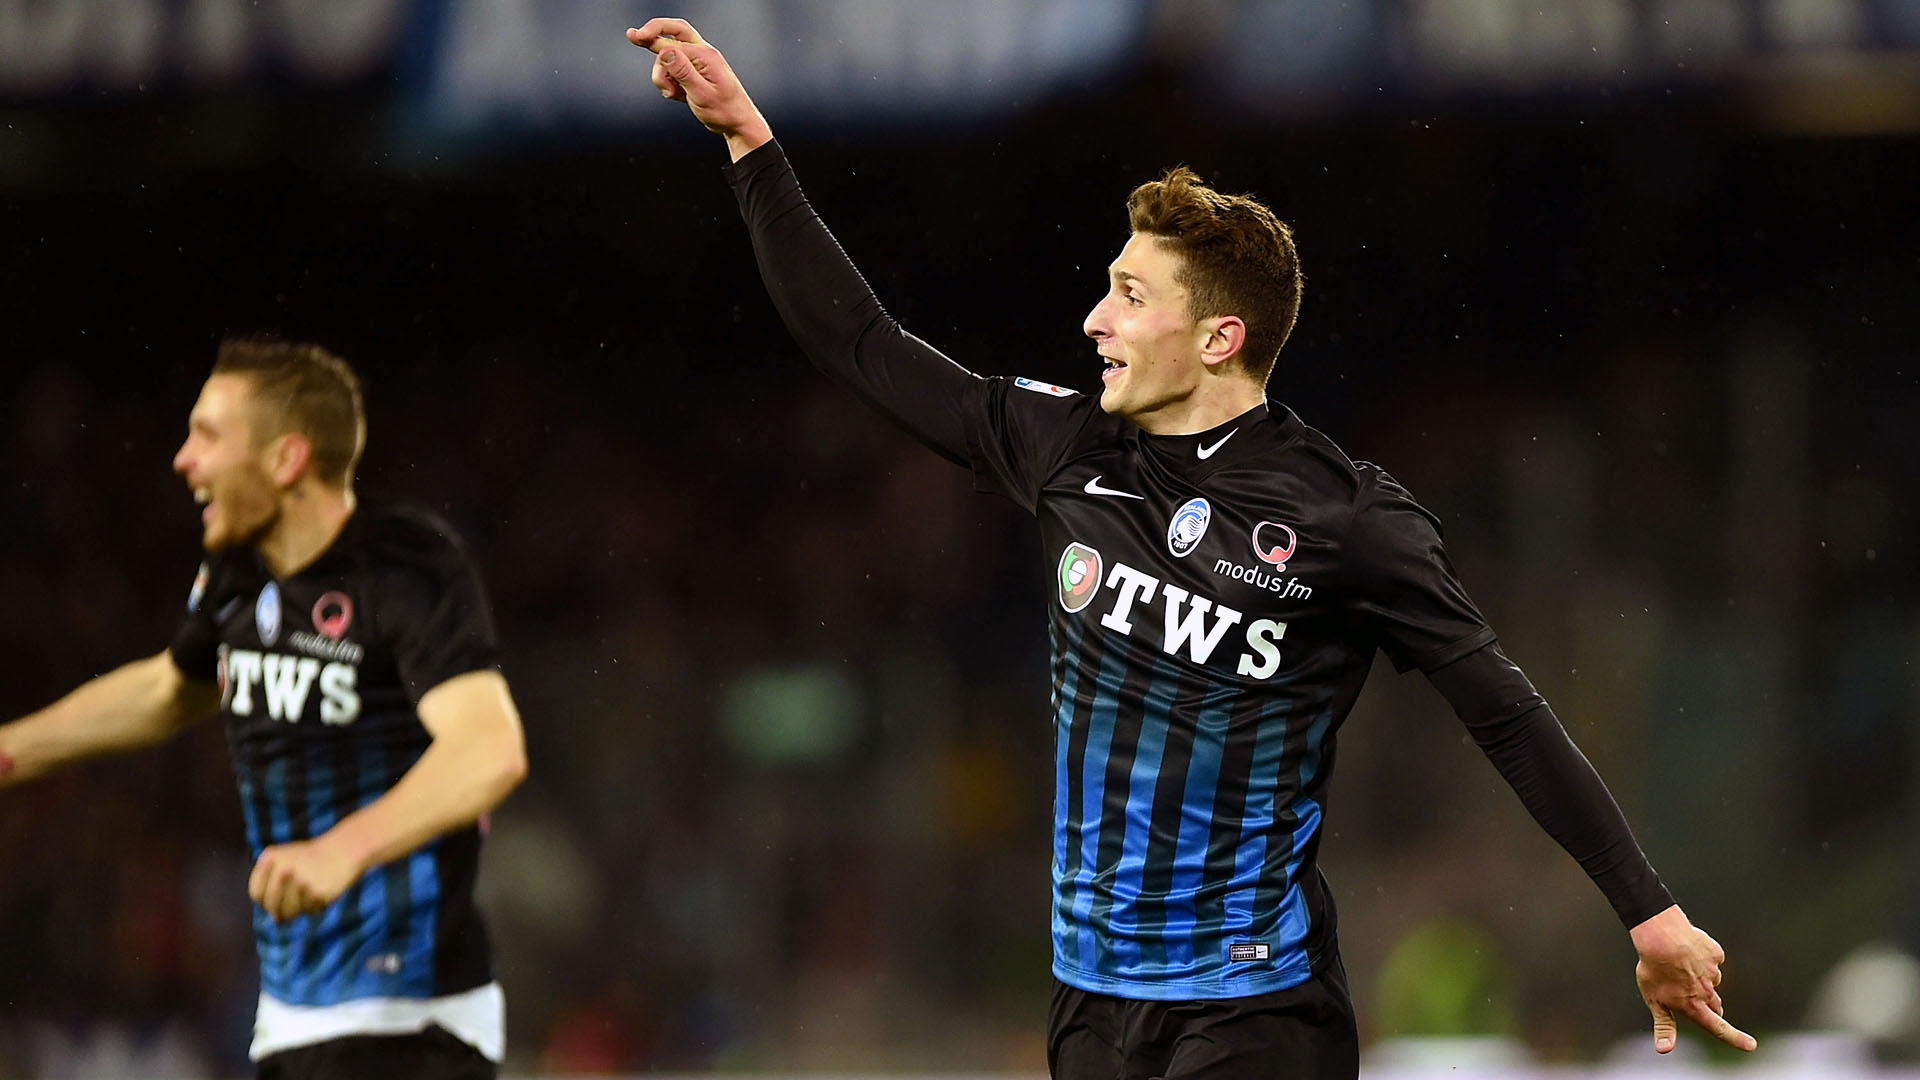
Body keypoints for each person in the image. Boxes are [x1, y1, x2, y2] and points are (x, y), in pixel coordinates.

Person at [627, 18, 1759, 1078]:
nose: (1094, 321)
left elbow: (1504, 713)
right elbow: (861, 343)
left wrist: (1647, 911)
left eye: (1128, 295)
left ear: (1220, 337)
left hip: (1253, 1009)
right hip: (1088, 1007)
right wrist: (748, 143)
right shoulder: (1065, 445)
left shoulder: (1349, 521)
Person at [0, 340, 528, 1080]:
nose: (184, 460)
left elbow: (488, 749)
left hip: (409, 1017)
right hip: (292, 1020)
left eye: (208, 436)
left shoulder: (406, 566)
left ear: (285, 461)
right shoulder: (237, 575)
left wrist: (344, 848)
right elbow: (168, 690)